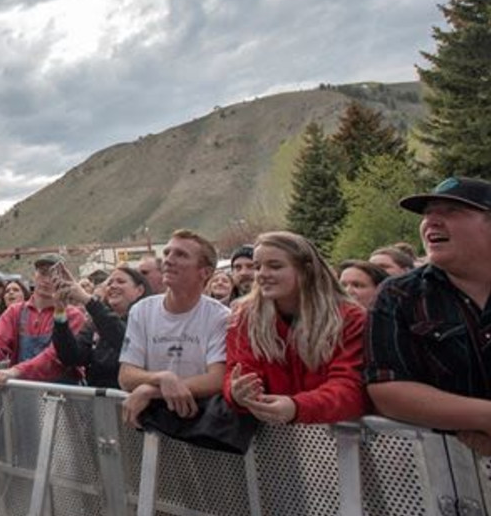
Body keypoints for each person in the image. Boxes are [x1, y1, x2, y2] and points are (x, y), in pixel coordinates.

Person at [366, 177, 491, 457]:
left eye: (451, 211)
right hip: (449, 472)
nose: (431, 221)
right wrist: (484, 418)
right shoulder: (399, 294)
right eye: (427, 214)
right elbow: (388, 389)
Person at [223, 232, 367, 424]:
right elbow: (239, 369)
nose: (262, 274)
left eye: (275, 266)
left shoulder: (349, 317)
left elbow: (351, 387)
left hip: (337, 434)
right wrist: (237, 393)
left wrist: (297, 407)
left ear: (306, 270)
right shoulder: (244, 318)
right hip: (273, 435)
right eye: (258, 267)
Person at [118, 230, 229, 428]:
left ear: (205, 272)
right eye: (167, 253)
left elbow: (217, 378)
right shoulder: (141, 311)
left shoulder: (220, 316)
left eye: (181, 255)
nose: (168, 260)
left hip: (203, 425)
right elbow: (126, 375)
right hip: (152, 425)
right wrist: (162, 377)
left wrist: (151, 390)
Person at [0, 255, 86, 385]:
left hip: (63, 393)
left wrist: (16, 371)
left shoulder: (73, 316)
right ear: (34, 276)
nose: (47, 280)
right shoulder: (15, 311)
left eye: (54, 276)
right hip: (24, 391)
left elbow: (55, 357)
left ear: (65, 280)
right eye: (43, 273)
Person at [49, 266, 152, 388]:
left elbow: (124, 341)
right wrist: (60, 312)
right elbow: (72, 357)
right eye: (109, 283)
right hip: (96, 396)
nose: (113, 286)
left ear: (139, 290)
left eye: (121, 282)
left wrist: (87, 300)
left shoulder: (147, 320)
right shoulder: (95, 323)